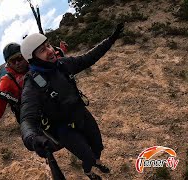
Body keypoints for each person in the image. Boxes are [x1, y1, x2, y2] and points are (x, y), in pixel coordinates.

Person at [19, 23, 124, 180]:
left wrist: (110, 39)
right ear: (33, 59)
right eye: (42, 50)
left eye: (48, 45)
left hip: (81, 114)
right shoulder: (32, 85)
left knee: (97, 146)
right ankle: (89, 171)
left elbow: (88, 58)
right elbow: (27, 118)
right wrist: (32, 139)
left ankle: (97, 161)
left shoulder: (62, 65)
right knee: (87, 157)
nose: (50, 51)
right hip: (64, 129)